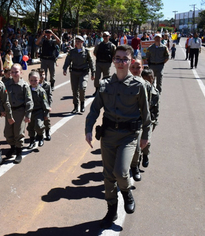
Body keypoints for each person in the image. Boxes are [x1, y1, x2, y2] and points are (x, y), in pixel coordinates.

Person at [85, 45, 151, 229]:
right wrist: (88, 128)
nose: (121, 62)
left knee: (121, 171)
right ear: (113, 61)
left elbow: (146, 114)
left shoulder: (139, 85)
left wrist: (146, 136)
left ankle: (127, 192)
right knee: (107, 175)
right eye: (118, 58)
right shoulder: (105, 84)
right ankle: (111, 209)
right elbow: (95, 109)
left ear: (130, 62)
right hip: (108, 135)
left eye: (125, 59)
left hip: (129, 136)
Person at [4, 63, 33, 164]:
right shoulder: (7, 85)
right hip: (9, 111)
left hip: (20, 112)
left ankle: (19, 152)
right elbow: (3, 99)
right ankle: (12, 147)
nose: (14, 74)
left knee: (19, 132)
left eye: (16, 72)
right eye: (12, 72)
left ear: (21, 72)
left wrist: (28, 114)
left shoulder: (24, 86)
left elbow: (29, 101)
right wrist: (3, 110)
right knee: (8, 133)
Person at [63, 35, 95, 114]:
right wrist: (65, 68)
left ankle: (82, 104)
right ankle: (75, 107)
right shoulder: (72, 52)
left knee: (82, 88)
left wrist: (93, 72)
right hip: (74, 73)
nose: (77, 43)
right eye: (76, 41)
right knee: (74, 90)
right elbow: (68, 60)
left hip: (83, 73)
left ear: (82, 42)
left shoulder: (86, 51)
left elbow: (91, 62)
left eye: (79, 41)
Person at [27, 71, 50, 149]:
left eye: (35, 80)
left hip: (39, 111)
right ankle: (32, 141)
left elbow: (45, 103)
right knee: (30, 127)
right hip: (30, 112)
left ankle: (40, 137)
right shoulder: (27, 90)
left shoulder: (41, 91)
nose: (33, 82)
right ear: (29, 80)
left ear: (39, 80)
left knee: (39, 126)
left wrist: (46, 114)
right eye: (31, 80)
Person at [93, 31, 116, 96]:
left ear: (109, 36)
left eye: (106, 36)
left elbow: (114, 54)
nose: (105, 37)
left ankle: (105, 90)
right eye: (104, 36)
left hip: (107, 64)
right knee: (97, 77)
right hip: (99, 63)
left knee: (106, 78)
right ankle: (97, 90)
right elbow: (95, 53)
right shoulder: (99, 45)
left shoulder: (112, 46)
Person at [38, 68, 52, 141]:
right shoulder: (34, 85)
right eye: (40, 75)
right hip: (37, 106)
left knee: (47, 120)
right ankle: (38, 134)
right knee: (37, 121)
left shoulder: (47, 85)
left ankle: (47, 133)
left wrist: (49, 106)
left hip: (45, 106)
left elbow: (50, 96)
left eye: (43, 74)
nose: (42, 76)